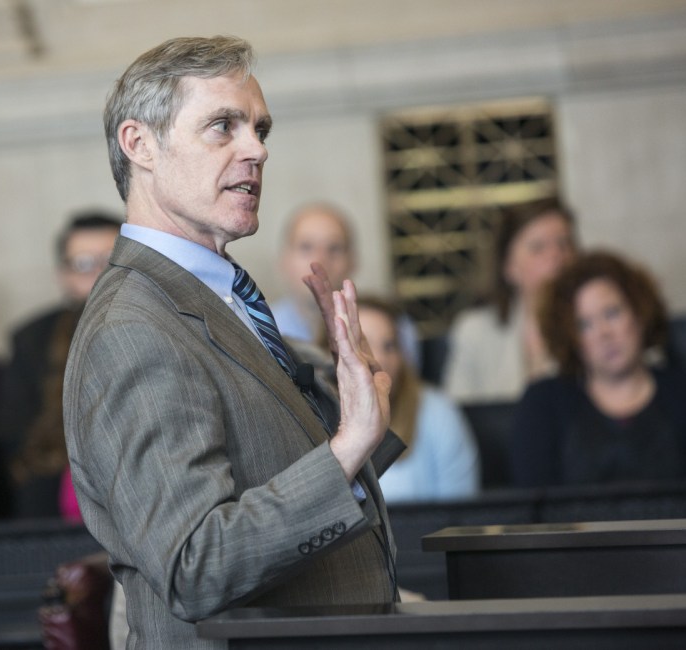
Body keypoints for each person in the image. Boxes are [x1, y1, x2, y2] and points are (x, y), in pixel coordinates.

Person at [63, 36, 405, 649]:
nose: (257, 149)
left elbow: (273, 468)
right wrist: (347, 446)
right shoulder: (133, 329)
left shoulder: (219, 297)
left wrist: (356, 412)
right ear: (139, 144)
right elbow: (197, 564)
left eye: (259, 127)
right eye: (223, 126)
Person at [510, 250, 686, 488]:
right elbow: (533, 513)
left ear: (639, 313)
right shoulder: (543, 404)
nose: (604, 333)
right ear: (570, 338)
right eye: (584, 325)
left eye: (612, 313)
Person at [0, 211, 122, 518]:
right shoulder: (32, 339)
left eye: (110, 260)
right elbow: (13, 437)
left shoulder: (168, 326)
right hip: (54, 512)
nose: (99, 275)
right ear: (63, 274)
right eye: (83, 265)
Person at [442, 197, 577, 403]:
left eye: (564, 244)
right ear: (509, 267)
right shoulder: (473, 332)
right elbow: (462, 413)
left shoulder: (593, 325)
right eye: (538, 248)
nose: (557, 256)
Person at [356, 296, 479, 503]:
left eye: (389, 346)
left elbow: (459, 516)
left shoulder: (438, 411)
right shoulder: (312, 416)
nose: (380, 359)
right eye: (363, 346)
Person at [274, 201, 421, 369]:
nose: (320, 261)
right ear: (283, 260)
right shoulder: (263, 329)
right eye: (306, 247)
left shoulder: (393, 327)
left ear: (353, 261)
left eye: (334, 248)